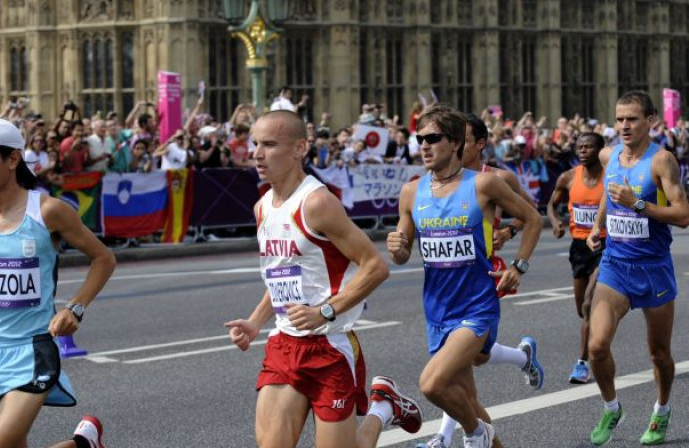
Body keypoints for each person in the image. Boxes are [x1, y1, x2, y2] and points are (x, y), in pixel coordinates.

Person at [224, 111, 422, 448]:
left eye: (270, 144)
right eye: (255, 143)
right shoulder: (262, 208)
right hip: (284, 344)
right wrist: (257, 321)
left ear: (300, 148)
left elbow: (375, 267)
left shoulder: (318, 203)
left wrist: (325, 311)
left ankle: (383, 407)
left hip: (329, 344)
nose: (257, 153)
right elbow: (283, 275)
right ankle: (384, 405)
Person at [0, 118, 116, 448]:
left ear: (13, 159)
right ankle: (82, 445)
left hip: (32, 350)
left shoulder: (48, 212)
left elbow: (104, 259)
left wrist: (75, 308)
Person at [387, 105, 542, 448]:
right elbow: (401, 254)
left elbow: (533, 219)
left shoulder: (485, 184)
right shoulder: (411, 192)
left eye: (433, 138)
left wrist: (519, 266)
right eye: (420, 139)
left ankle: (476, 434)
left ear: (456, 142)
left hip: (476, 307)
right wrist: (396, 246)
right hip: (437, 311)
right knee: (467, 402)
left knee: (432, 384)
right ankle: (482, 432)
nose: (424, 146)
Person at [586, 91, 689, 446]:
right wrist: (598, 225)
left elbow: (683, 215)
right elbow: (608, 191)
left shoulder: (663, 161)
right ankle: (612, 407)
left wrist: (639, 204)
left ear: (651, 121)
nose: (624, 126)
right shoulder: (608, 154)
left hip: (653, 267)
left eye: (632, 119)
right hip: (615, 266)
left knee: (658, 354)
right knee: (596, 347)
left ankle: (661, 410)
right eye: (619, 119)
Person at [546, 132, 606, 385]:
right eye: (580, 147)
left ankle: (582, 364)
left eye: (589, 147)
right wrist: (555, 222)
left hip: (604, 246)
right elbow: (550, 204)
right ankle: (598, 336)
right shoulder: (568, 177)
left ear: (599, 151)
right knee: (581, 309)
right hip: (578, 247)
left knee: (588, 305)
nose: (583, 150)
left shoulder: (610, 178)